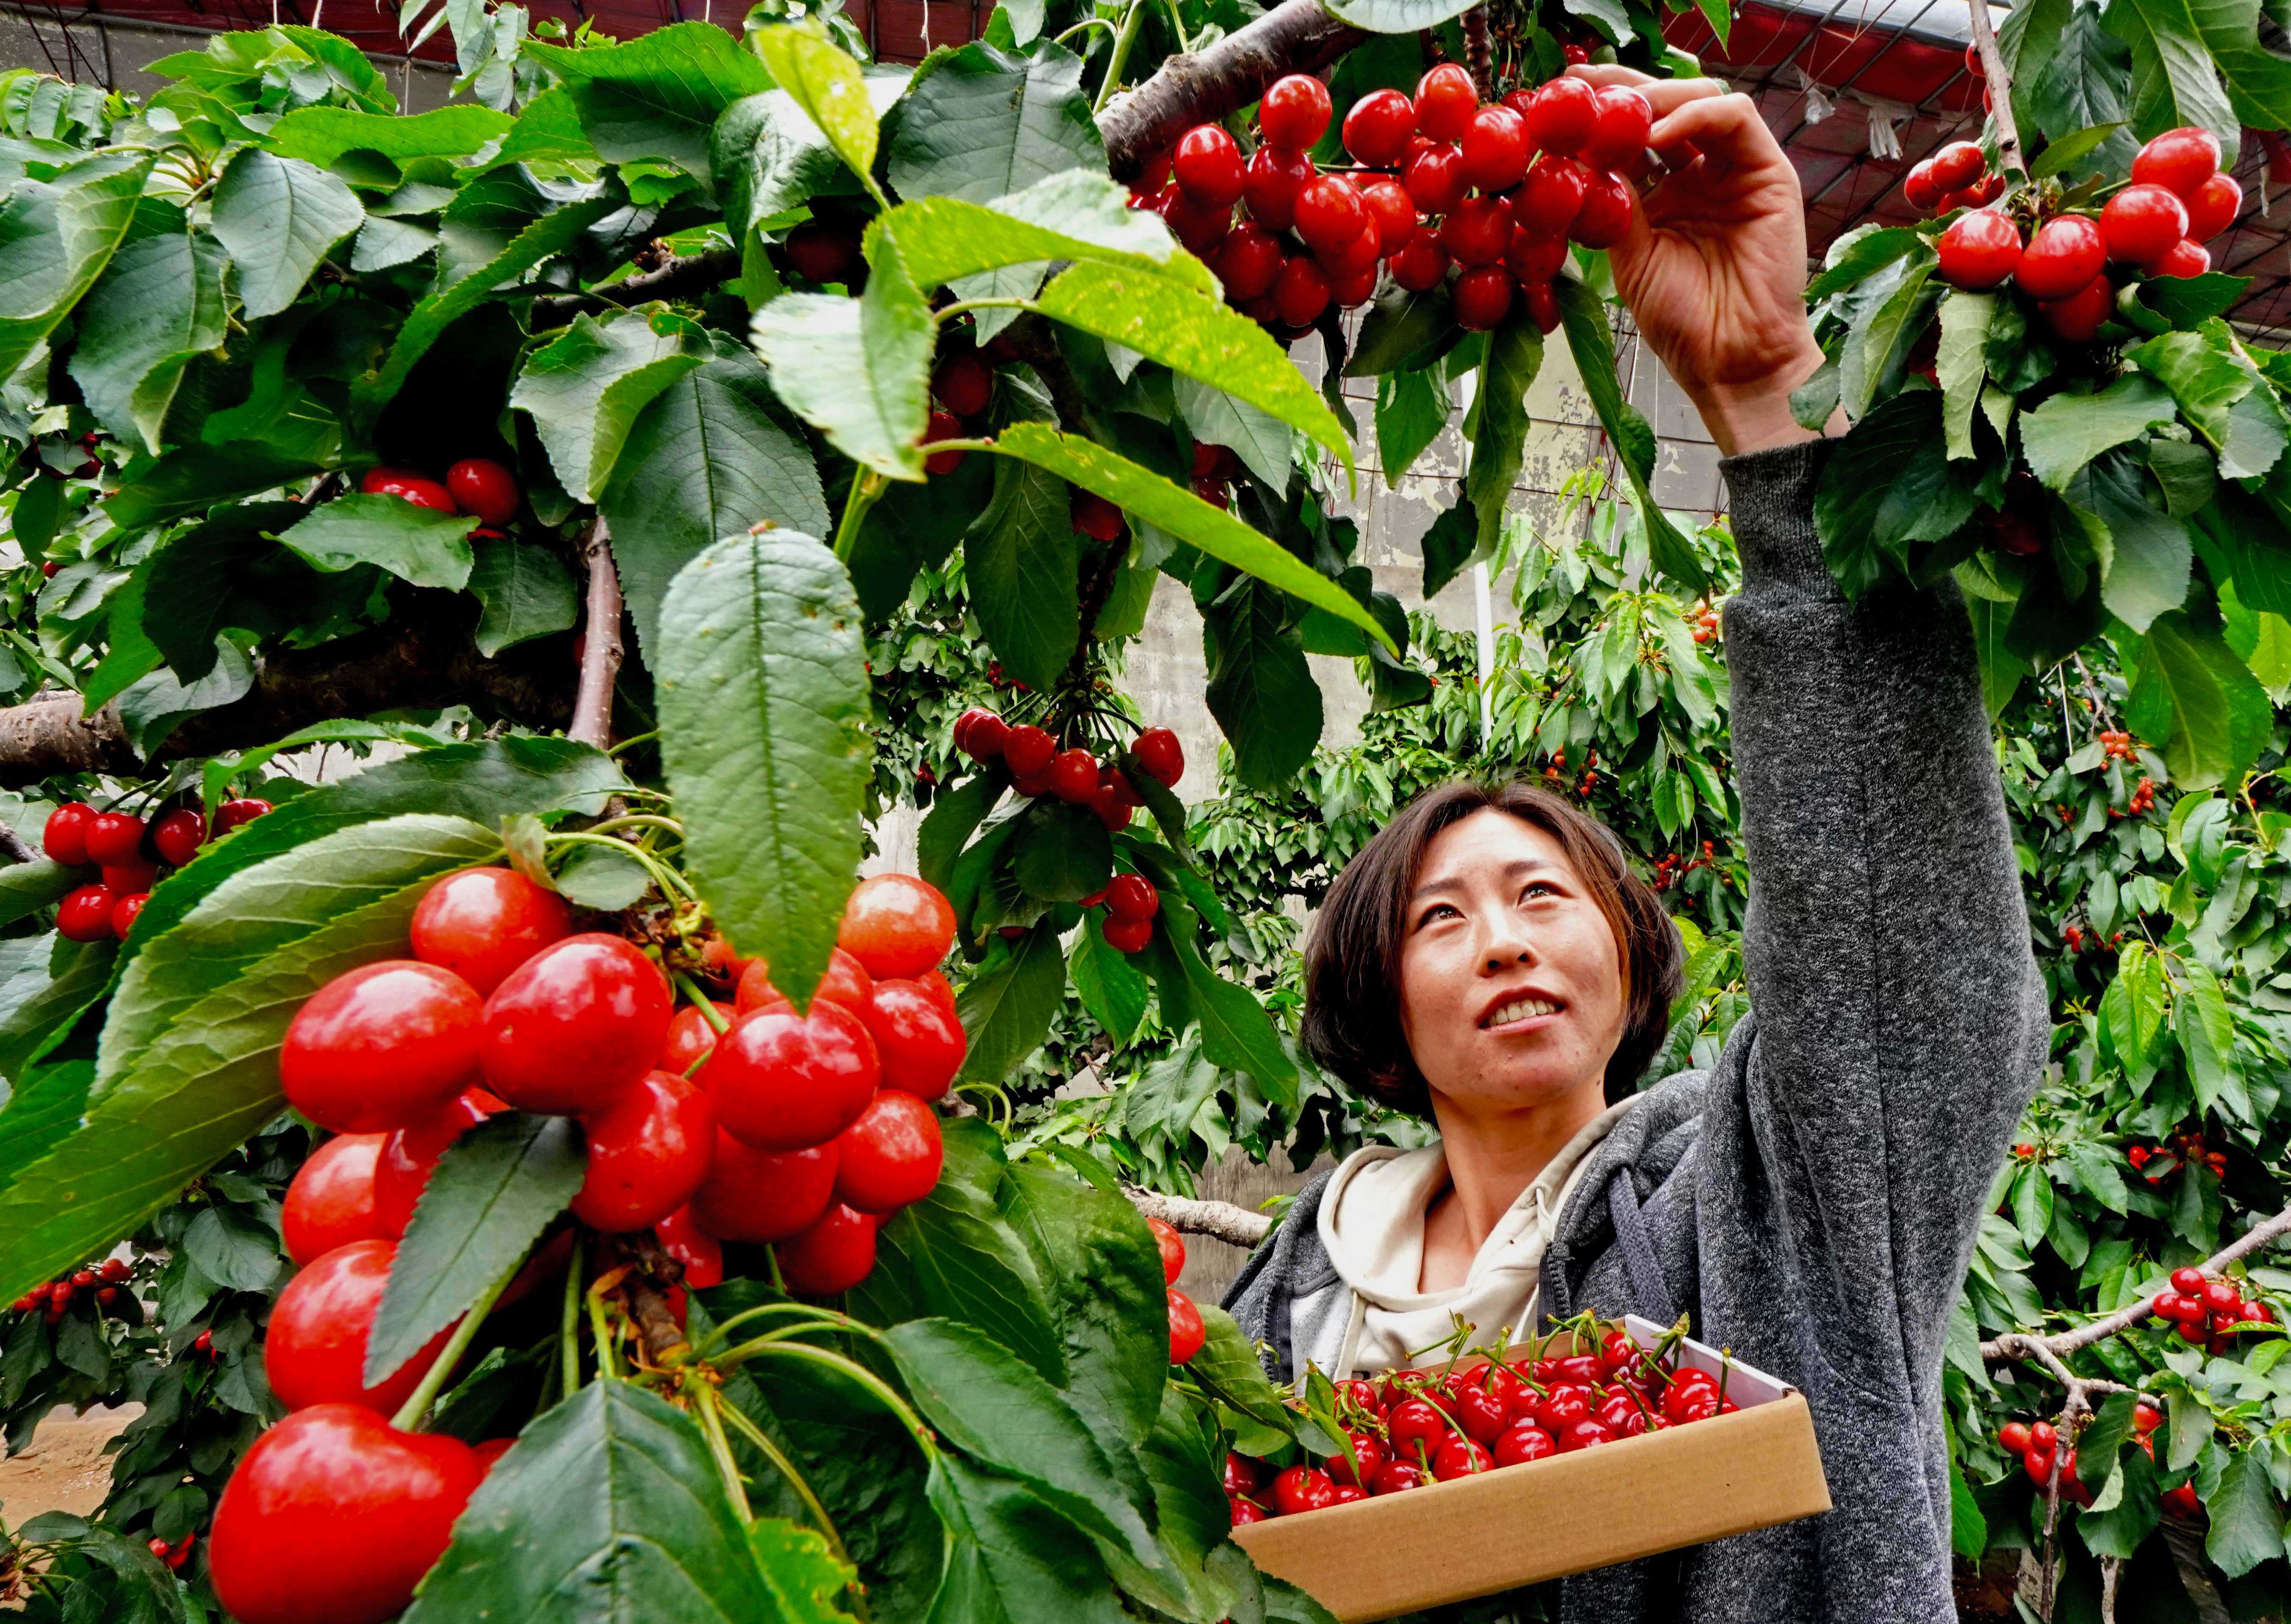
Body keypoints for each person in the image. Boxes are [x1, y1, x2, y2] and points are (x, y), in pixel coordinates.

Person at [1222, 65, 2047, 1624]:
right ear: (1376, 1001)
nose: (1509, 937)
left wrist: (1764, 399)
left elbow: (1903, 971)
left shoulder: (1765, 1191)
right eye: (1441, 919)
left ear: (1624, 953)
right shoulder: (1293, 1296)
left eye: (1544, 893)